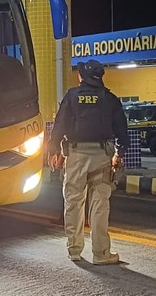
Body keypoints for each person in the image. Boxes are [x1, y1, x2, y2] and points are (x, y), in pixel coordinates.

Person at [47, 59, 129, 265]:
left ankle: (74, 249)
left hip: (75, 156)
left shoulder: (72, 97)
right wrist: (120, 153)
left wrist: (54, 149)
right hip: (102, 155)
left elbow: (60, 125)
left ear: (81, 77)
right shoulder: (109, 98)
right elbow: (122, 131)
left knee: (73, 202)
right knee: (100, 204)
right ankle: (101, 253)